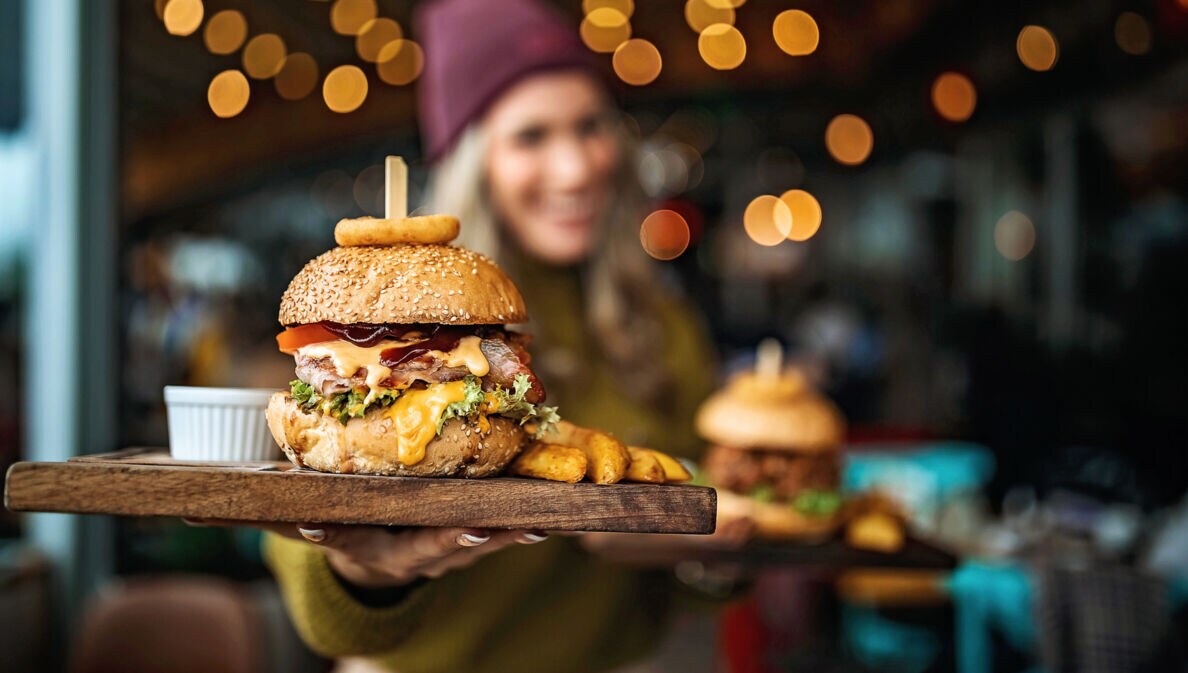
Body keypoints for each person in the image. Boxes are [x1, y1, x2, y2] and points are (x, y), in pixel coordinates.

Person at [261, 1, 738, 671]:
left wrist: (714, 557)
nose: (574, 168)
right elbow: (318, 600)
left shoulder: (665, 327)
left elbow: (696, 567)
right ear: (476, 159)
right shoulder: (385, 301)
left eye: (590, 125)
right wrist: (371, 573)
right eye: (531, 136)